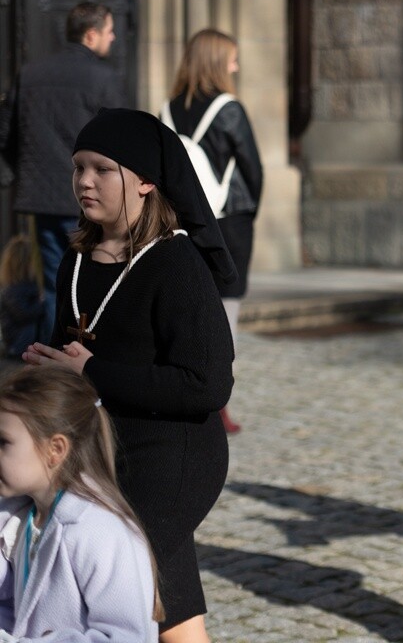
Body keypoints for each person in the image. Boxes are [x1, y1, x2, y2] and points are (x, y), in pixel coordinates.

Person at [20, 109, 235, 643]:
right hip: (104, 449)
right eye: (77, 168)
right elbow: (74, 350)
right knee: (170, 600)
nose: (84, 182)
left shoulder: (176, 263)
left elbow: (206, 385)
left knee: (125, 576)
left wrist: (91, 370)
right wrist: (49, 371)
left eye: (101, 169)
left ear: (144, 182)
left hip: (174, 454)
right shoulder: (75, 259)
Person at [0, 365, 159, 641]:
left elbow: (128, 637)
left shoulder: (98, 531)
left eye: (3, 442)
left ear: (56, 449)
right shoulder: (21, 515)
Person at [0, 3, 125, 340]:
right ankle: (82, 359)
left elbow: (6, 133)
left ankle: (53, 356)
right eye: (109, 30)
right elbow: (121, 141)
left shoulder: (32, 73)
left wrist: (21, 172)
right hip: (89, 196)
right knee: (95, 278)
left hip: (43, 196)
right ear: (91, 33)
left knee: (57, 278)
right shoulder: (103, 78)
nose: (113, 37)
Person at [162, 29, 262, 435]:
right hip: (231, 221)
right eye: (233, 59)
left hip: (187, 221)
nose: (236, 67)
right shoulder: (230, 109)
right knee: (227, 310)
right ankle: (218, 402)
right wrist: (251, 210)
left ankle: (186, 386)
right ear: (219, 61)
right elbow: (252, 169)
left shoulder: (167, 110)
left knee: (189, 307)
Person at [0, 238, 43, 361]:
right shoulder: (12, 290)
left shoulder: (23, 286)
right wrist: (42, 303)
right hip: (18, 344)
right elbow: (23, 314)